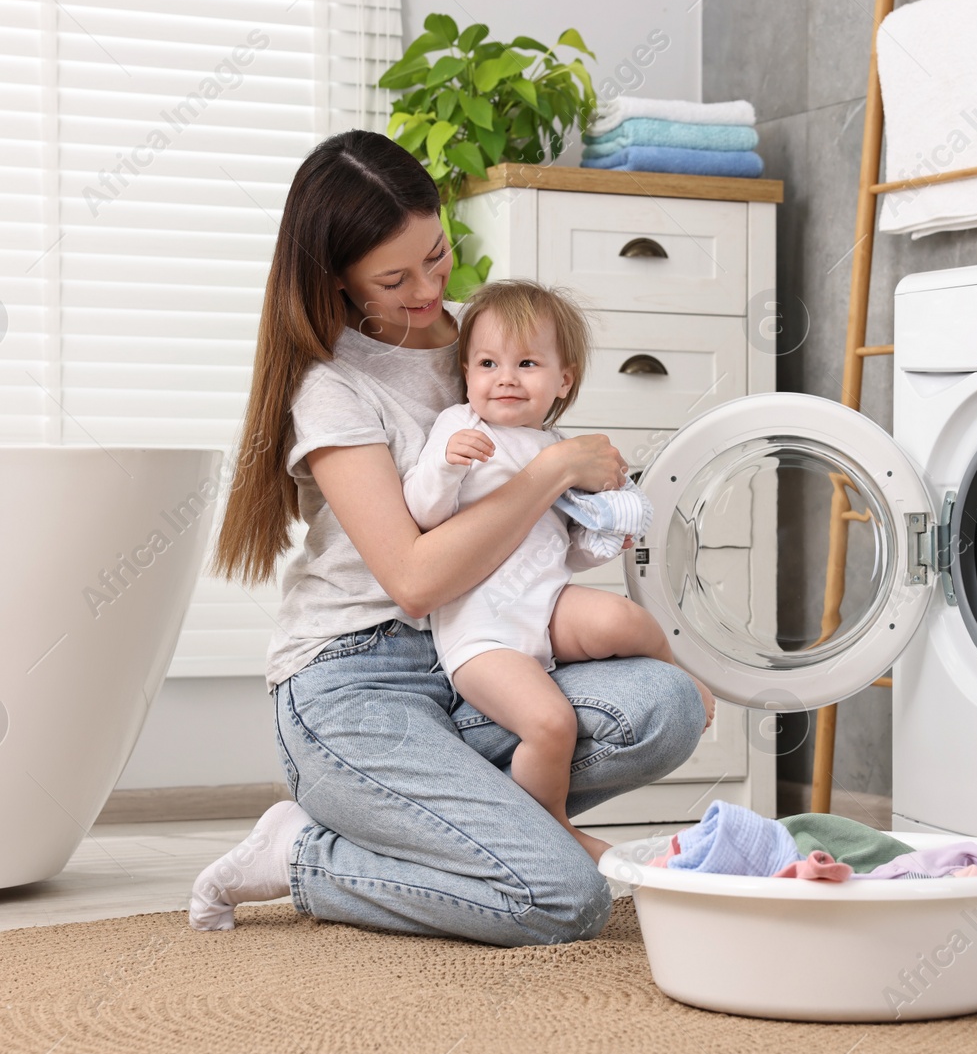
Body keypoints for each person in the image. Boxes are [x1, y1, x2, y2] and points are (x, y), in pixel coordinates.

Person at [185, 130, 711, 947]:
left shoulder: (489, 340)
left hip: (483, 652)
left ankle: (477, 836)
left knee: (668, 704)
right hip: (356, 681)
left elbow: (552, 497)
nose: (430, 290)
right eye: (394, 279)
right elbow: (415, 580)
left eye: (436, 257)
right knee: (564, 900)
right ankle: (303, 853)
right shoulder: (334, 387)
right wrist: (552, 471)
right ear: (338, 279)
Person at [401, 279, 716, 866]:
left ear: (562, 380)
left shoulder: (555, 445)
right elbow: (422, 515)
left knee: (622, 619)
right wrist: (445, 469)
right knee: (549, 722)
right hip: (482, 635)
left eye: (527, 364)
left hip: (544, 608)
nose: (506, 378)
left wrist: (604, 539)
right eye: (488, 363)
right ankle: (549, 820)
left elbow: (567, 550)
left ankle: (684, 677)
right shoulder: (461, 428)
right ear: (467, 373)